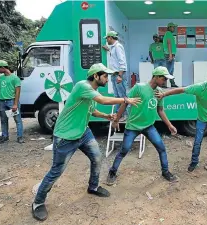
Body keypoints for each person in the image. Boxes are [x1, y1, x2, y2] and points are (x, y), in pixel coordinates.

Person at [32, 63, 141, 221]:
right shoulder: (82, 86)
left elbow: (92, 110)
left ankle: (93, 186)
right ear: (96, 76)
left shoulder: (92, 92)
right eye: (105, 76)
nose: (107, 79)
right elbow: (102, 101)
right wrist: (125, 99)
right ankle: (38, 202)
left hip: (83, 132)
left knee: (97, 157)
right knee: (56, 171)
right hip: (65, 137)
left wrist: (106, 116)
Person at [106, 66, 178, 185]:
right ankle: (112, 172)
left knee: (161, 149)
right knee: (124, 150)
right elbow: (125, 103)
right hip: (132, 127)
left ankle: (165, 172)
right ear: (155, 77)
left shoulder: (159, 92)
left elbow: (160, 110)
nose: (165, 81)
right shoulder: (139, 88)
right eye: (164, 78)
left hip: (149, 127)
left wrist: (169, 125)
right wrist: (116, 120)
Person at [0, 60, 24, 144]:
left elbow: (18, 92)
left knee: (17, 120)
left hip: (11, 102)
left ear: (3, 67)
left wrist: (15, 104)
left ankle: (20, 137)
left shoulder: (15, 78)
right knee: (3, 120)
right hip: (2, 102)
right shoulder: (1, 77)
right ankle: (5, 136)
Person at [102, 31, 128, 121]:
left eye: (107, 38)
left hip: (118, 75)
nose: (106, 40)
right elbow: (114, 57)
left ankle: (125, 115)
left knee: (122, 96)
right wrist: (108, 49)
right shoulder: (113, 48)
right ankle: (119, 115)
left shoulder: (118, 47)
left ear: (111, 38)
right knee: (117, 96)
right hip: (114, 75)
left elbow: (122, 62)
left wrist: (120, 76)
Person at [162, 22, 178, 88]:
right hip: (169, 54)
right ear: (169, 27)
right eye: (173, 27)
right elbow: (169, 43)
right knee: (168, 70)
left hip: (170, 54)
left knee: (171, 70)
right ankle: (163, 83)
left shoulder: (169, 34)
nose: (174, 28)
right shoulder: (168, 33)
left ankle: (172, 83)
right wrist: (170, 55)